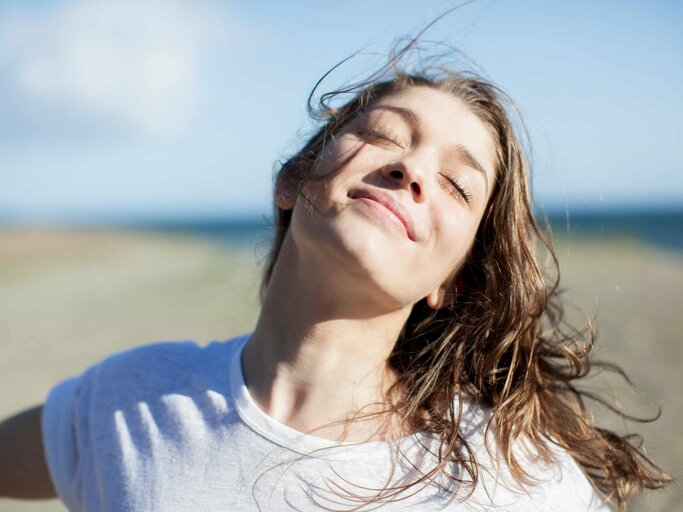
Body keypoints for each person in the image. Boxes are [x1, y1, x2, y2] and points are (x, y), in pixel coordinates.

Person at [0, 33, 670, 512]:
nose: (411, 171)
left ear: (455, 279)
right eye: (386, 135)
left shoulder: (523, 483)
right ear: (294, 178)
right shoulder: (126, 403)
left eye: (457, 185)